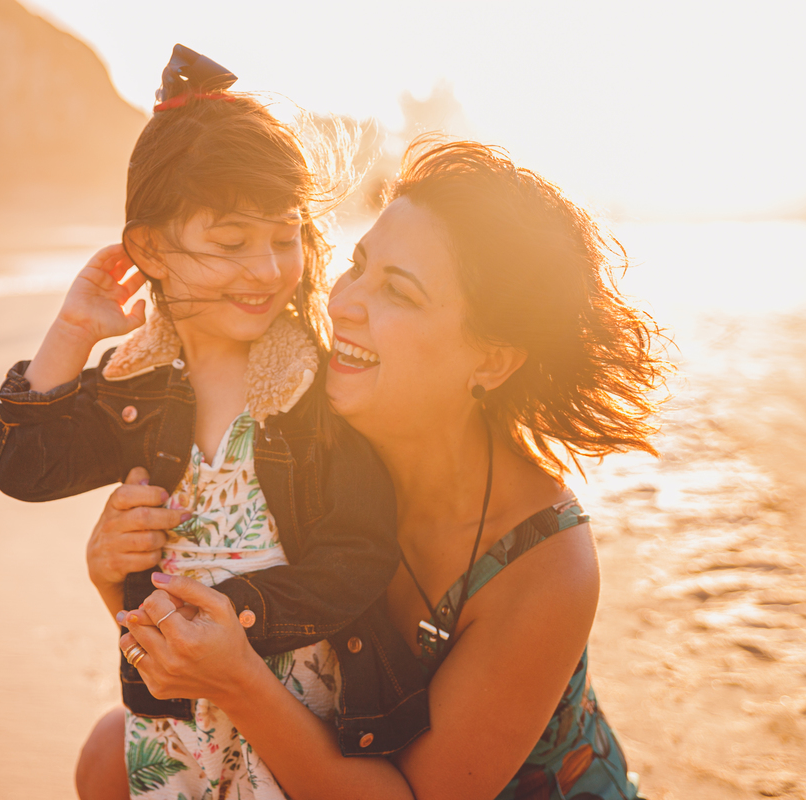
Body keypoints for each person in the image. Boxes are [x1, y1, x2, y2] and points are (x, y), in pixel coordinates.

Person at [89, 137, 666, 799]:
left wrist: (240, 684)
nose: (343, 303)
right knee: (109, 758)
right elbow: (200, 640)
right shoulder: (300, 433)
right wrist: (116, 575)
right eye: (358, 265)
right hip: (321, 763)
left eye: (399, 291)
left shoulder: (545, 565)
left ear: (492, 360)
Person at [0, 46, 431, 800]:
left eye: (284, 238)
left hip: (301, 715)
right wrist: (70, 331)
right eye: (231, 244)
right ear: (152, 249)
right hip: (176, 720)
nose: (265, 269)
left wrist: (241, 616)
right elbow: (27, 470)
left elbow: (360, 551)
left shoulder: (313, 387)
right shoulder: (139, 385)